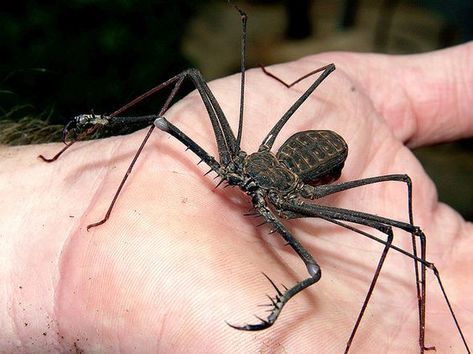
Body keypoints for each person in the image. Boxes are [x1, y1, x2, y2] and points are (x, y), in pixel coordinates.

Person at [1, 42, 472, 353]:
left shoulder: (292, 200)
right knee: (180, 97)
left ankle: (404, 334)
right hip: (264, 159)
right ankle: (99, 124)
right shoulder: (237, 161)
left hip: (299, 174)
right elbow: (173, 102)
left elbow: (332, 262)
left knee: (392, 236)